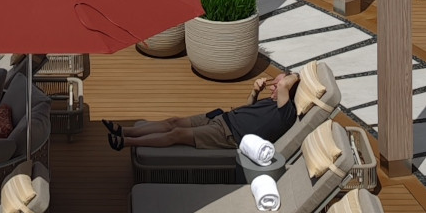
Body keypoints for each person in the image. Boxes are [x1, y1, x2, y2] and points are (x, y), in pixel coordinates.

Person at [104, 66, 299, 154]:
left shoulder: (286, 112)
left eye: (277, 83)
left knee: (177, 134)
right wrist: (255, 92)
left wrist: (296, 75)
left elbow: (285, 85)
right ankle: (124, 131)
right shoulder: (272, 103)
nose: (273, 86)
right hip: (222, 117)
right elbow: (248, 108)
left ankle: (127, 142)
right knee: (173, 121)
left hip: (229, 135)